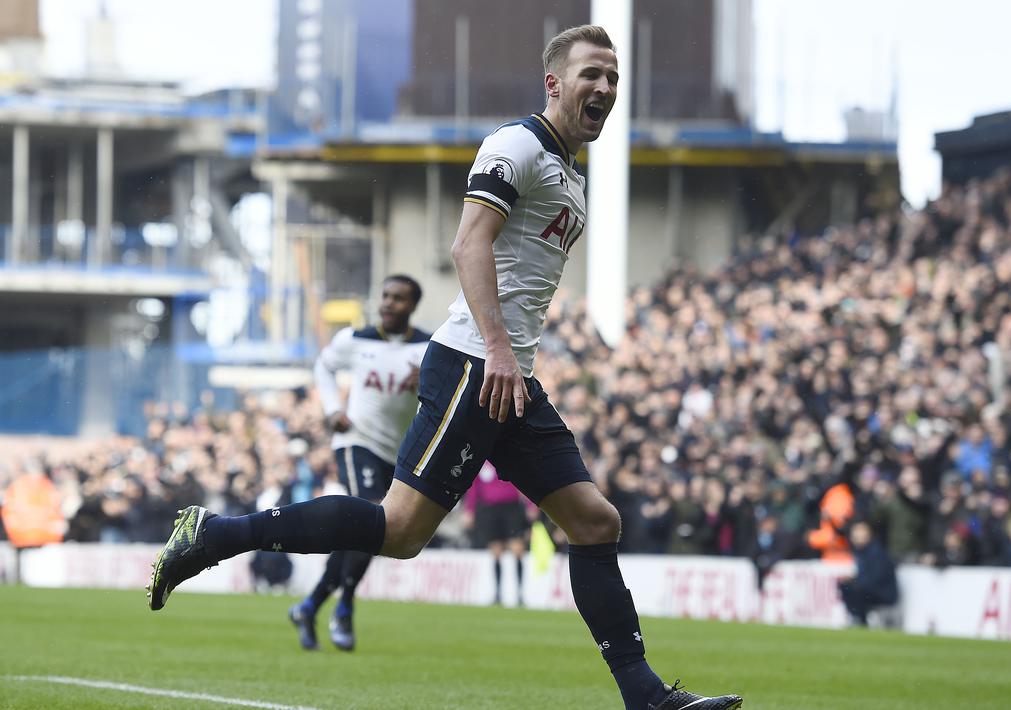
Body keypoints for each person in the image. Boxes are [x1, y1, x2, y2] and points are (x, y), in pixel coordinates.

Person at [147, 25, 741, 710]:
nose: (604, 88)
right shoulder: (515, 146)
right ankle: (215, 534)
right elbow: (468, 246)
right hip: (473, 364)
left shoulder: (569, 170)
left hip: (509, 376)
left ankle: (643, 696)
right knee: (398, 532)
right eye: (590, 75)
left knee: (593, 519)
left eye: (611, 77)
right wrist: (495, 349)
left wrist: (508, 357)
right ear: (553, 83)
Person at [287, 274, 430, 651]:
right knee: (370, 513)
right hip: (356, 441)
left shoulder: (429, 348)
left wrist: (430, 384)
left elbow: (446, 396)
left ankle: (311, 604)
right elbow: (323, 366)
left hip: (398, 453)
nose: (388, 303)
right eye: (385, 295)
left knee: (373, 530)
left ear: (412, 306)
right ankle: (345, 606)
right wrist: (333, 408)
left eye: (398, 298)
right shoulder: (355, 339)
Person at [463, 461, 534, 606]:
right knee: (496, 551)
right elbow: (474, 487)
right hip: (489, 509)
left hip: (511, 508)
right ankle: (497, 594)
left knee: (517, 548)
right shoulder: (482, 461)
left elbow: (524, 480)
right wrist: (469, 510)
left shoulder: (507, 454)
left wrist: (530, 504)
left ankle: (520, 594)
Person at [837, 520, 898, 626]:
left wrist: (856, 581)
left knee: (856, 590)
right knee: (845, 585)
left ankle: (861, 620)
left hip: (883, 592)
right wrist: (853, 580)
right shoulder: (861, 551)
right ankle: (856, 617)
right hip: (870, 589)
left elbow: (876, 577)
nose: (857, 538)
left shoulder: (876, 552)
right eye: (855, 535)